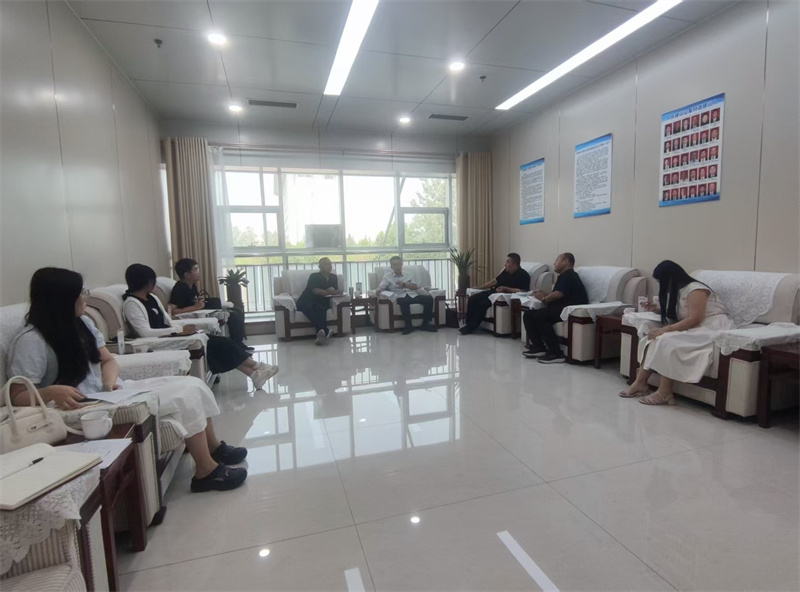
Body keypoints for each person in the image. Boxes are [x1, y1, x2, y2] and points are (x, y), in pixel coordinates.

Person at [6, 268, 248, 492]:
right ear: (60, 299)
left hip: (107, 392)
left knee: (193, 384)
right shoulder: (31, 340)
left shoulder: (82, 324)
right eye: (80, 293)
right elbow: (17, 395)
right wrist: (51, 392)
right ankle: (206, 473)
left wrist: (109, 382)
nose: (85, 298)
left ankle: (214, 449)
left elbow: (108, 360)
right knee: (184, 396)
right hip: (80, 407)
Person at [122, 264, 277, 389]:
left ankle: (254, 374)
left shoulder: (152, 298)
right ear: (146, 282)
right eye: (152, 281)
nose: (154, 285)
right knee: (221, 344)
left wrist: (184, 328)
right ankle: (258, 367)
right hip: (164, 341)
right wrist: (178, 331)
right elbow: (144, 333)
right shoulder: (132, 304)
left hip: (175, 336)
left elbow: (168, 320)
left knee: (221, 344)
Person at [619, 261, 734, 406]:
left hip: (712, 328)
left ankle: (665, 393)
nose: (661, 284)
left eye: (661, 281)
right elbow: (682, 313)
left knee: (666, 339)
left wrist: (666, 329)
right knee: (652, 338)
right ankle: (640, 384)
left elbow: (695, 318)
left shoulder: (696, 290)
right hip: (697, 328)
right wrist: (656, 309)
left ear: (671, 278)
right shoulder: (680, 291)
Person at [170, 258, 251, 352]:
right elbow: (173, 311)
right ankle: (237, 344)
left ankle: (239, 342)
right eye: (195, 269)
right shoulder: (180, 288)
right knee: (233, 315)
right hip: (193, 314)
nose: (198, 272)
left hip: (200, 311)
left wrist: (198, 302)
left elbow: (192, 302)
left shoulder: (191, 285)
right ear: (187, 275)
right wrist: (195, 307)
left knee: (236, 310)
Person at [522, 253, 588, 364]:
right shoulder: (564, 276)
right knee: (528, 314)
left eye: (557, 260)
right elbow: (559, 293)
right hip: (562, 306)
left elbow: (558, 294)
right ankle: (539, 347)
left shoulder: (569, 275)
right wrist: (544, 294)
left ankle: (556, 353)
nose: (554, 263)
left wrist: (543, 298)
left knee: (540, 316)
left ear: (565, 261)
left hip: (571, 308)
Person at [459, 253, 531, 335]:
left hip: (499, 297)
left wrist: (506, 288)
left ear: (515, 264)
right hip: (493, 292)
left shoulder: (523, 275)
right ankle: (468, 323)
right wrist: (479, 287)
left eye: (508, 262)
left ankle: (470, 327)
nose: (505, 264)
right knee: (472, 298)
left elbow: (523, 291)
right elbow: (494, 281)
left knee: (481, 304)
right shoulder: (506, 271)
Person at [377, 256, 436, 335]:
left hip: (412, 294)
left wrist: (405, 284)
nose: (397, 266)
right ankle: (409, 326)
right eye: (395, 265)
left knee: (429, 299)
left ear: (402, 264)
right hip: (400, 296)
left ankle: (425, 324)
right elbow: (381, 286)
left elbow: (415, 287)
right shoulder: (387, 276)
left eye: (399, 264)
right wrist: (378, 290)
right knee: (404, 301)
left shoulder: (409, 274)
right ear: (391, 266)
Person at [297, 257, 342, 345]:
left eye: (330, 264)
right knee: (309, 306)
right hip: (307, 298)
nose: (329, 266)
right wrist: (328, 291)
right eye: (326, 264)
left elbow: (333, 290)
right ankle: (325, 330)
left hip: (322, 300)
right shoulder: (314, 276)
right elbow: (315, 290)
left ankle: (321, 333)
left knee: (320, 308)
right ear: (320, 267)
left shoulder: (333, 277)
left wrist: (331, 291)